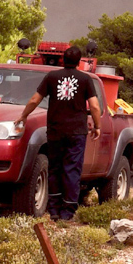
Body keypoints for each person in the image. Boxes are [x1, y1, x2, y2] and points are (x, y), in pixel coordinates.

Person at [15, 45, 101, 221]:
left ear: (63, 60)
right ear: (79, 62)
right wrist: (97, 126)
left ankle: (53, 209)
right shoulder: (85, 80)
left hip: (55, 130)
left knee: (55, 168)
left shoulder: (52, 77)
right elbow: (94, 106)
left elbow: (34, 99)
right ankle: (67, 211)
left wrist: (23, 116)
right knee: (72, 170)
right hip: (77, 132)